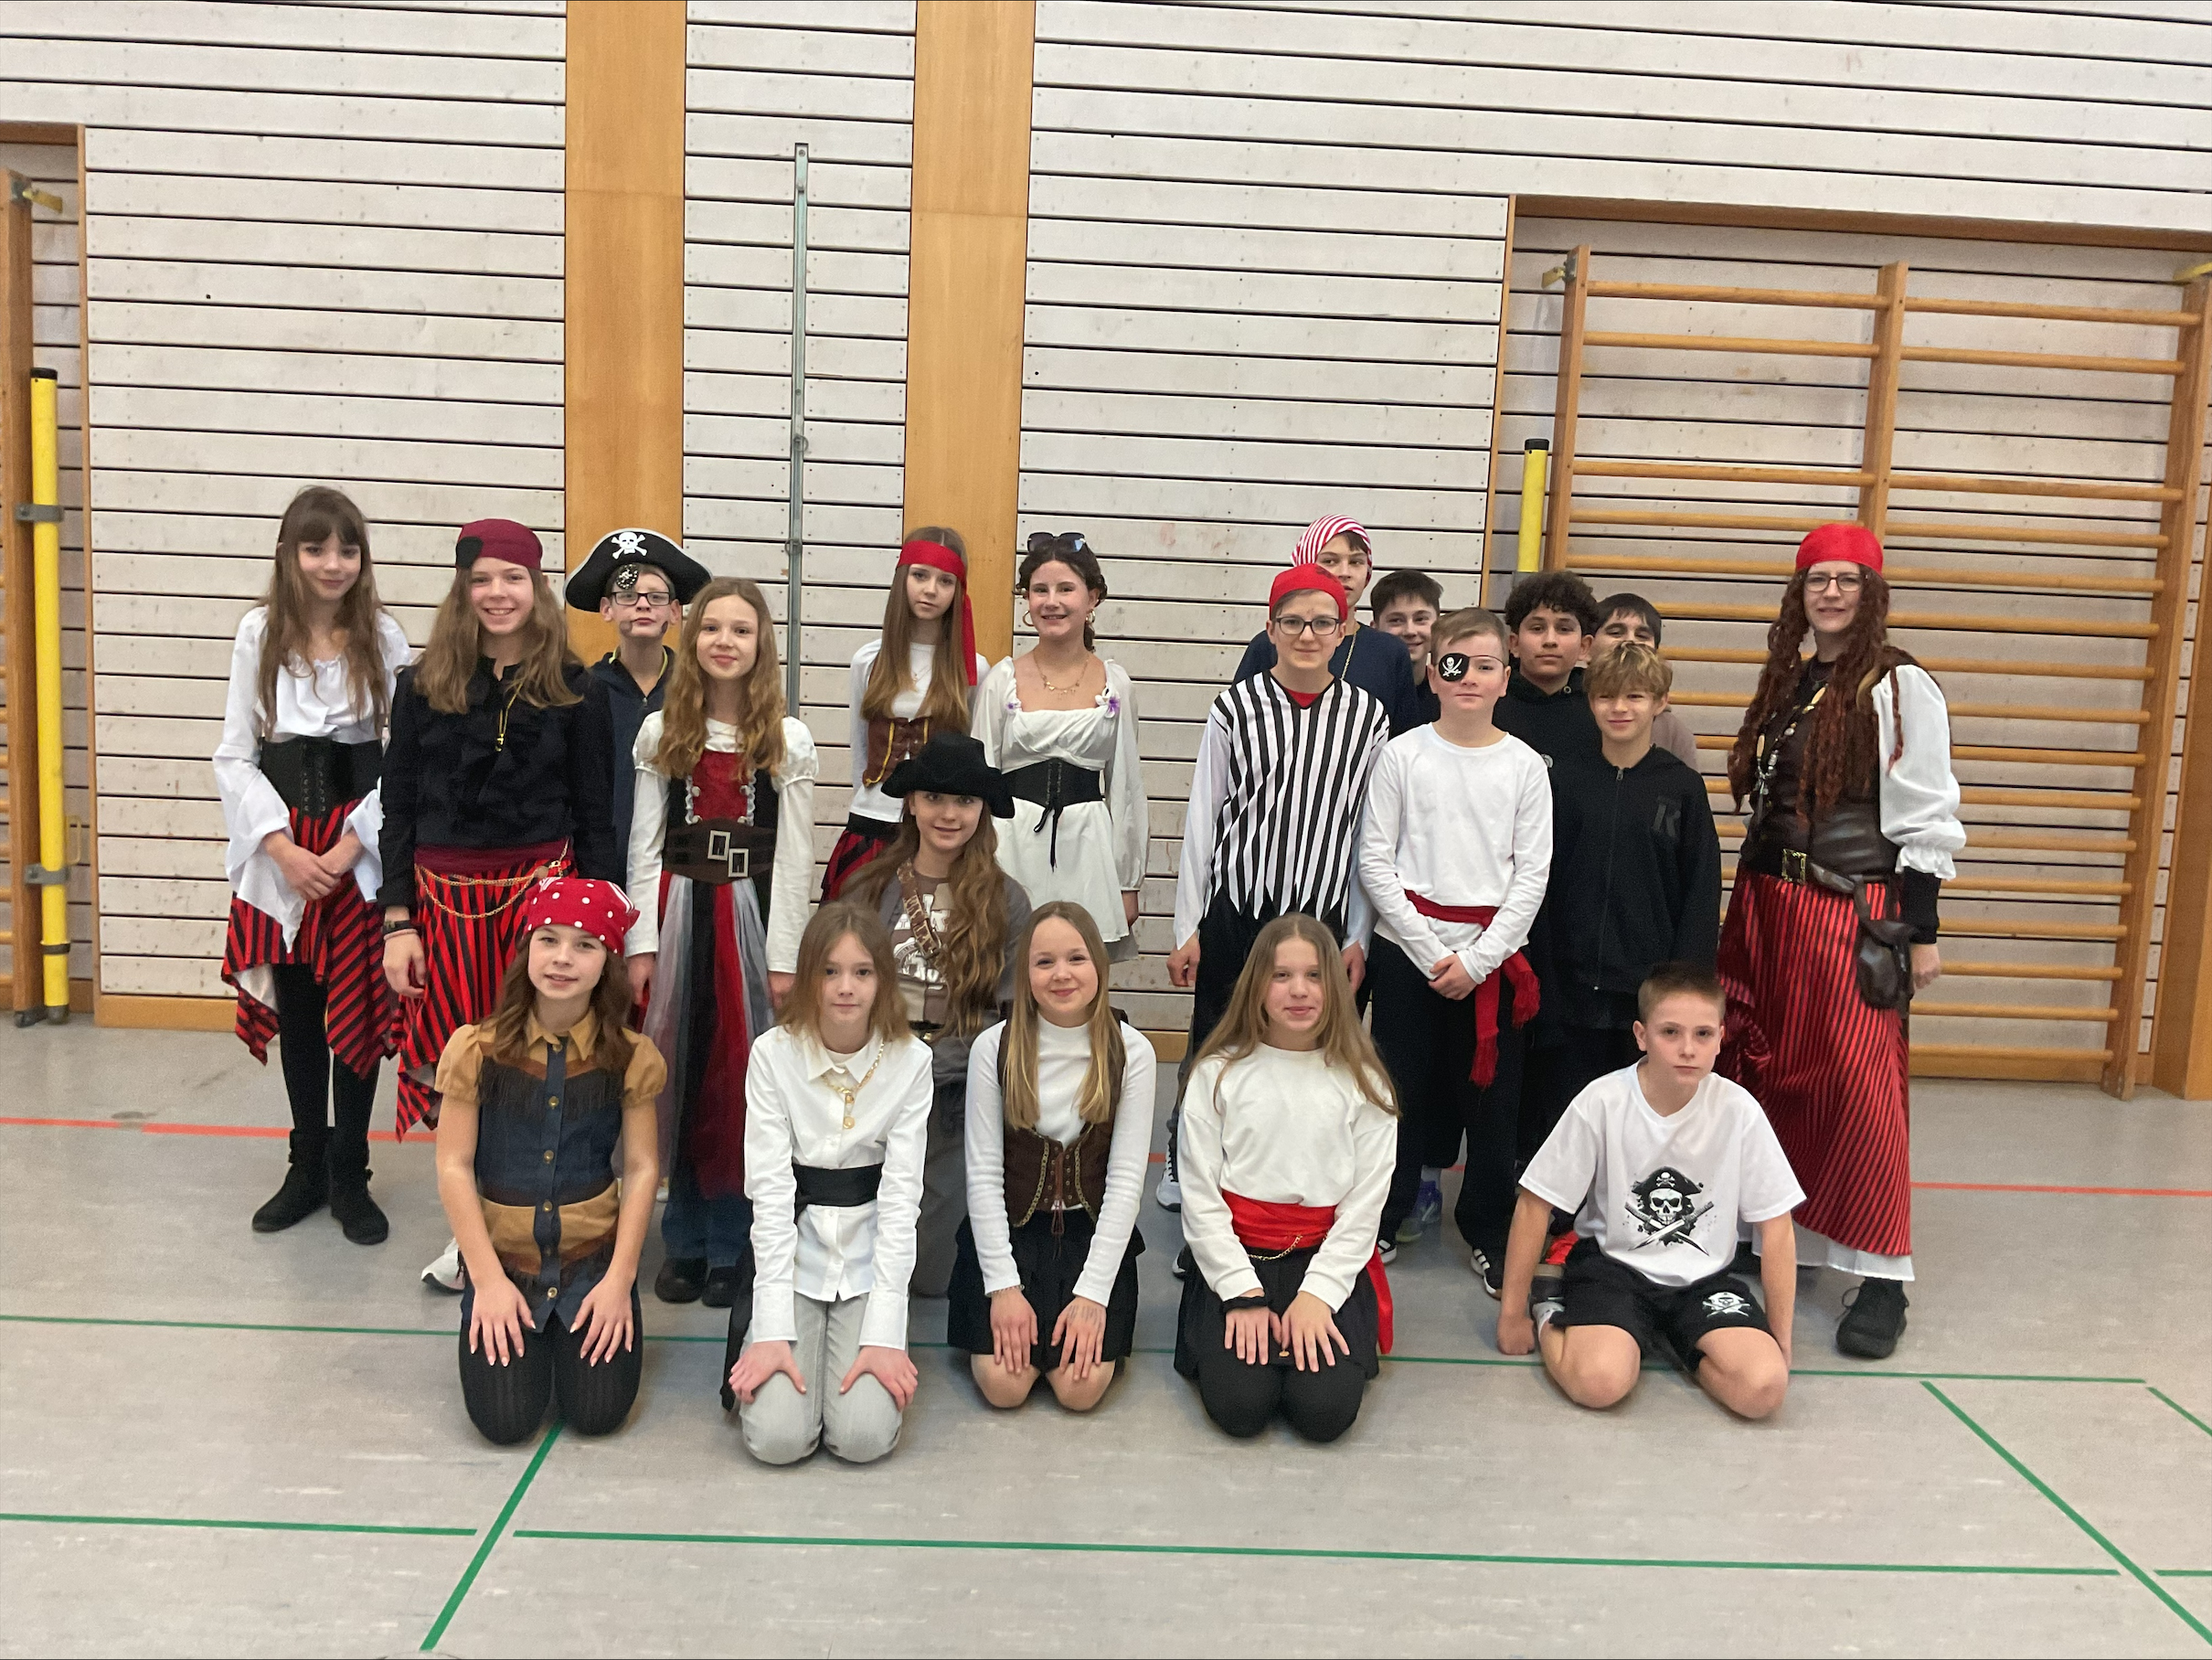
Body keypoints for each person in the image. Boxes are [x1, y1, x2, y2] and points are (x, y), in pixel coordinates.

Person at [1720, 523, 1962, 1360]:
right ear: (1799, 592)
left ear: (1871, 592)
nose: (1830, 593)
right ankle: (1774, 1234)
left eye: (1846, 580)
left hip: (1845, 912)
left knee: (1860, 1086)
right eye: (1817, 580)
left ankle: (1882, 1276)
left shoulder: (1897, 685)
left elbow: (1925, 815)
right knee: (1764, 1072)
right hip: (1766, 906)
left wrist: (1920, 933)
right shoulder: (1791, 680)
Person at [378, 518, 621, 1290]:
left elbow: (596, 815)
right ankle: (472, 1235)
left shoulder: (578, 690)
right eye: (480, 579)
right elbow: (397, 810)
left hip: (539, 912)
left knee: (535, 1071)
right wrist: (397, 922)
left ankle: (528, 1230)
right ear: (462, 589)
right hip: (443, 911)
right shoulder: (420, 686)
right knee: (461, 1073)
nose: (496, 593)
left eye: (511, 578)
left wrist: (604, 927)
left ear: (536, 586)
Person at [1162, 564, 1391, 1209]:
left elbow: (1368, 835)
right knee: (1217, 1048)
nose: (1307, 634)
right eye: (1292, 622)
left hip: (1320, 917)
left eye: (1322, 622)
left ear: (1343, 630)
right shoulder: (1234, 708)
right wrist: (1188, 927)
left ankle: (1297, 1181)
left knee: (1310, 1054)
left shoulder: (1368, 717)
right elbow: (1203, 817)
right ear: (1270, 629)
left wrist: (1358, 935)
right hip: (1239, 909)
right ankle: (1193, 1167)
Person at [215, 486, 410, 1243]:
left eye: (347, 549)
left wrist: (351, 846)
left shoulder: (382, 636)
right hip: (284, 850)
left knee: (355, 1007)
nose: (333, 563)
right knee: (299, 1010)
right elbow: (235, 755)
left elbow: (405, 758)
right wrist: (282, 848)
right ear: (289, 555)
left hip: (358, 847)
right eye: (316, 548)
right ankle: (306, 1165)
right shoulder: (259, 633)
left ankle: (350, 1171)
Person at [626, 578, 818, 1309]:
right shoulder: (663, 733)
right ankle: (683, 1235)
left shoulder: (786, 740)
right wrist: (641, 943)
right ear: (691, 637)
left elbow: (795, 859)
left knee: (741, 1083)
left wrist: (783, 960)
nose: (725, 642)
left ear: (762, 643)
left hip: (751, 920)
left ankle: (736, 1240)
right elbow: (645, 845)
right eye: (712, 629)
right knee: (675, 1070)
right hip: (680, 918)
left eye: (741, 630)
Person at [1497, 963, 1799, 1421]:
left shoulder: (1739, 1111)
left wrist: (1781, 1340)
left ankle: (1681, 1338)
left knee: (1763, 1389)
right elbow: (1535, 1204)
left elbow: (1776, 1227)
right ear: (1641, 1035)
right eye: (1670, 1032)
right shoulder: (1603, 1101)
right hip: (1614, 1269)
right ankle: (1550, 1310)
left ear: (1721, 1038)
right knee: (1600, 1384)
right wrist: (1512, 1315)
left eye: (1702, 1034)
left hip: (1704, 1279)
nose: (1687, 1048)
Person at [1356, 608, 1550, 1285]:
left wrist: (1476, 960)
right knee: (1398, 1093)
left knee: (1492, 1104)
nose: (1469, 677)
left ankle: (1488, 1226)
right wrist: (1427, 946)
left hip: (1492, 956)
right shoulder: (1401, 755)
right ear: (1434, 675)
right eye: (1455, 664)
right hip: (1408, 951)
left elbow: (1532, 876)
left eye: (1485, 665)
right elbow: (1375, 861)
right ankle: (1384, 1216)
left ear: (1505, 678)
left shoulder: (1524, 767)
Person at [434, 878, 665, 1445]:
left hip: (592, 1266)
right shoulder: (476, 1049)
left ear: (608, 963)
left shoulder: (630, 1056)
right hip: (506, 1265)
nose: (563, 958)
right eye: (549, 940)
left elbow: (642, 1169)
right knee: (505, 1424)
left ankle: (571, 1334)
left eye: (585, 945)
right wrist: (487, 1281)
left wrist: (619, 1280)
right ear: (527, 951)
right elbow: (453, 1166)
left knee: (598, 1415)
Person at [1174, 914, 1396, 1442]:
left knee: (1324, 1413)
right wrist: (1240, 1292)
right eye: (1281, 975)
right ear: (1257, 986)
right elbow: (1200, 1197)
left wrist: (1319, 1294)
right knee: (1240, 1407)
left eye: (1314, 976)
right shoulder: (1217, 1073)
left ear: (1336, 986)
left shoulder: (1365, 1084)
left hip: (1324, 1260)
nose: (1299, 990)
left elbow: (1364, 1209)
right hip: (1237, 1258)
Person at [726, 903, 932, 1465]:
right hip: (794, 1254)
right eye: (830, 971)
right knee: (778, 1440)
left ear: (882, 979)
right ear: (808, 976)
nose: (846, 988)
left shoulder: (912, 1062)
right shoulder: (773, 1055)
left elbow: (901, 1203)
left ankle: (858, 1346)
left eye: (862, 972)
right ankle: (789, 1346)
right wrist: (771, 1328)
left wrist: (885, 1333)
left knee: (864, 1438)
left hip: (866, 1260)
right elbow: (771, 1197)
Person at [845, 732, 1031, 1297]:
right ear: (910, 803)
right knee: (861, 1259)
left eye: (965, 801)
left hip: (956, 1096)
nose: (948, 814)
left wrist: (936, 1065)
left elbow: (1010, 1018)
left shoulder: (1008, 902)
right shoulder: (869, 888)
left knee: (931, 1277)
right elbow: (838, 995)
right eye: (934, 798)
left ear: (982, 811)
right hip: (871, 1085)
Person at [952, 901, 1155, 1411]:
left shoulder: (1132, 1051)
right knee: (1004, 1387)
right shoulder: (993, 1047)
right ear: (1025, 972)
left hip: (1091, 1236)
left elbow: (1126, 1182)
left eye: (1076, 958)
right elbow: (983, 1176)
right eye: (1044, 962)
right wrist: (1003, 1287)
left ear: (1099, 965)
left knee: (1078, 1391)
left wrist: (1093, 1295)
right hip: (1013, 1232)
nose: (1061, 974)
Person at [1524, 643, 1721, 1159]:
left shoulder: (1682, 788)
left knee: (1642, 1124)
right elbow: (1538, 885)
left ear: (1659, 702)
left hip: (1645, 990)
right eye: (1606, 696)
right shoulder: (1563, 781)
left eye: (1635, 696)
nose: (1619, 708)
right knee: (1566, 1120)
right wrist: (1543, 975)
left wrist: (1681, 991)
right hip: (1568, 987)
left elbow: (1700, 895)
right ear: (1590, 702)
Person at [972, 530, 1148, 962]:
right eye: (1040, 590)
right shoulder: (1001, 680)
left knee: (1077, 971)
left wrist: (1127, 882)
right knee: (1011, 972)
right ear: (1027, 600)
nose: (1052, 602)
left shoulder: (1115, 682)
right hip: (1011, 844)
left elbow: (1125, 787)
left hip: (1088, 849)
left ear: (1093, 599)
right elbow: (978, 780)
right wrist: (973, 869)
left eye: (1066, 589)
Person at [824, 528, 992, 900]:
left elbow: (976, 760)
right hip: (870, 823)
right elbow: (859, 751)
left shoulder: (973, 670)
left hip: (935, 835)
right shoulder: (868, 661)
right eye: (920, 575)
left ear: (958, 591)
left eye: (945, 581)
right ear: (902, 579)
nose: (931, 590)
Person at [566, 527, 712, 878]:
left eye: (656, 597)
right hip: (600, 867)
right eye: (628, 595)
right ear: (607, 609)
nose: (643, 604)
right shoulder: (580, 692)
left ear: (675, 612)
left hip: (680, 868)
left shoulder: (699, 690)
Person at [1232, 516, 1425, 733]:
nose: (1345, 572)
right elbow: (1239, 722)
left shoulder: (1389, 651)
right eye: (1330, 561)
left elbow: (1403, 739)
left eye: (1356, 562)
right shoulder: (1271, 643)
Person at [1494, 569, 1602, 767]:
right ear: (1514, 644)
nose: (1550, 640)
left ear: (1584, 646)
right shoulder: (1490, 702)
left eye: (1564, 629)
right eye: (1537, 628)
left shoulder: (1601, 708)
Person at [1592, 591, 1698, 767]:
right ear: (1587, 645)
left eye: (1642, 636)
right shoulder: (1568, 714)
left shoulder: (1672, 731)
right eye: (1616, 632)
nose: (1629, 641)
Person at [1370, 568, 1444, 728]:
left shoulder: (1450, 696)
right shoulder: (1364, 695)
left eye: (1421, 619)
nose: (1410, 631)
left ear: (1438, 626)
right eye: (1396, 620)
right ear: (1374, 629)